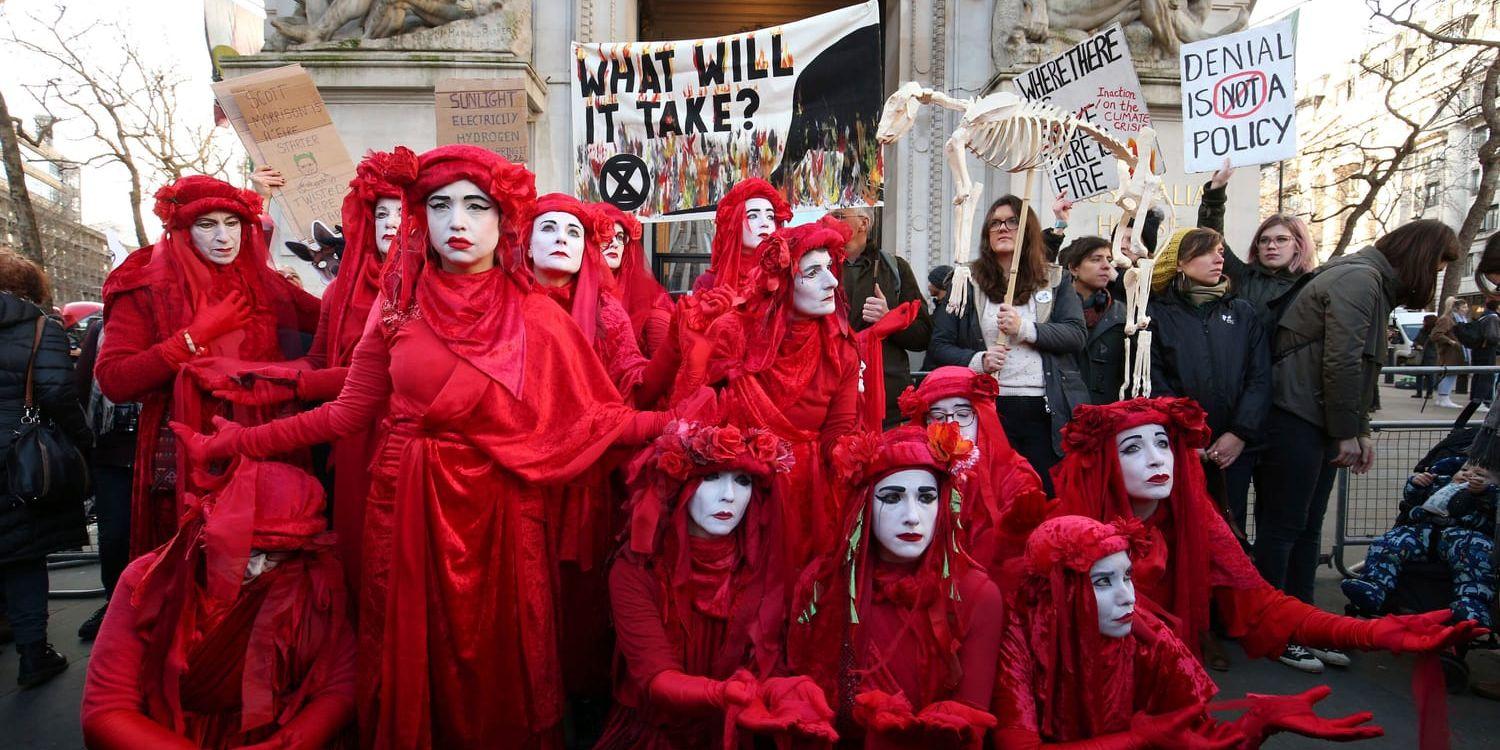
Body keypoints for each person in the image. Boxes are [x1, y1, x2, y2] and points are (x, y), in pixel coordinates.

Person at [175, 145, 695, 747]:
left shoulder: (540, 316)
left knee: (505, 653)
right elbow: (346, 411)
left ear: (505, 223)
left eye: (477, 206)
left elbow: (600, 421)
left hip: (503, 513)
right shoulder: (397, 308)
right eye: (440, 205)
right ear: (421, 219)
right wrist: (241, 442)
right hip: (405, 507)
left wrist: (683, 426)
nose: (458, 222)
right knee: (411, 651)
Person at [1052, 397, 1485, 679]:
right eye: (1131, 448)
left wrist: (1368, 633)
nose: (1154, 459)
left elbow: (1259, 600)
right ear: (1104, 461)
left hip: (1165, 679)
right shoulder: (1072, 526)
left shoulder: (1192, 513)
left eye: (1162, 443)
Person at [1256, 219, 1462, 671]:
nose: (1440, 273)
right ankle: (1274, 627)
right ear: (1422, 257)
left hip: (1308, 414)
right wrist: (1348, 429)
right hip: (1298, 415)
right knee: (1286, 527)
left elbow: (1357, 364)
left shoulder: (1366, 277)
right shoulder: (1360, 278)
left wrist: (1357, 427)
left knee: (1304, 528)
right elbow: (1343, 360)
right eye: (1440, 264)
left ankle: (1300, 622)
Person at [991, 514, 1384, 749]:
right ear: (1057, 592)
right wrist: (1137, 740)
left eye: (1127, 576)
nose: (1128, 598)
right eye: (1103, 583)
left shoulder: (1150, 640)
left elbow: (1202, 740)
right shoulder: (1020, 638)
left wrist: (1257, 724)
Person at [206, 149, 408, 595]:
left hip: (399, 436)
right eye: (380, 214)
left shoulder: (424, 289)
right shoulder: (340, 288)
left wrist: (284, 384)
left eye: (402, 212)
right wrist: (255, 376)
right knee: (357, 550)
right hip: (347, 438)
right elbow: (319, 362)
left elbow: (374, 376)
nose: (391, 223)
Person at [95, 175, 321, 559]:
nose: (224, 237)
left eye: (232, 223)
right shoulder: (144, 284)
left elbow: (332, 321)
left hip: (263, 448)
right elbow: (114, 379)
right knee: (193, 573)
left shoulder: (258, 280)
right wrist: (192, 337)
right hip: (185, 458)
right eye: (207, 224)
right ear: (181, 228)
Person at [81, 460, 355, 749]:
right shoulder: (146, 582)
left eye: (274, 555)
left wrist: (296, 739)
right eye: (243, 550)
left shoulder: (316, 583)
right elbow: (106, 710)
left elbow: (342, 684)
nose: (255, 568)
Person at [597, 419, 837, 749]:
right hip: (659, 737)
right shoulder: (638, 568)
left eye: (742, 481)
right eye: (710, 478)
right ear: (679, 485)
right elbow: (654, 678)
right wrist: (722, 694)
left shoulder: (762, 562)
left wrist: (781, 690)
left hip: (737, 732)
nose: (728, 496)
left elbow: (767, 659)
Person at [789, 424, 1003, 749]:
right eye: (892, 497)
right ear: (862, 506)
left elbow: (970, 720)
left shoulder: (975, 594)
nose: (912, 517)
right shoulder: (823, 584)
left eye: (927, 498)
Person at [692, 217, 860, 571]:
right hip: (737, 493)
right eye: (813, 273)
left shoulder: (841, 347)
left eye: (830, 268)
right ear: (781, 282)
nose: (831, 282)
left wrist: (858, 459)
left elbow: (838, 432)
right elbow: (696, 416)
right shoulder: (733, 332)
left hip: (806, 495)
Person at [928, 195, 1088, 494]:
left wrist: (1025, 329)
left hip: (1046, 409)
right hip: (990, 406)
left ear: (1027, 230)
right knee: (994, 494)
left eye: (1013, 222)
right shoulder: (965, 281)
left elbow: (1075, 335)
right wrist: (979, 361)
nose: (1003, 228)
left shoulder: (1054, 280)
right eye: (995, 223)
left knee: (1043, 495)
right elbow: (940, 345)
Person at [0, 251, 90, 687]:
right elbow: (57, 394)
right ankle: (34, 654)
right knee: (22, 557)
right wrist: (84, 441)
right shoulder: (40, 329)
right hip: (16, 460)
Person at [1146, 227, 1270, 530]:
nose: (1218, 258)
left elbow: (1259, 377)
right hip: (1179, 447)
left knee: (1229, 528)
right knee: (1182, 530)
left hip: (1233, 452)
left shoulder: (1242, 312)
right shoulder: (1156, 315)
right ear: (1179, 261)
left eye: (1221, 252)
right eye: (1206, 251)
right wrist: (1186, 436)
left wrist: (1239, 434)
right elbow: (1155, 380)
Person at [897, 366, 1047, 570]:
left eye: (963, 414)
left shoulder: (1015, 474)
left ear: (983, 416)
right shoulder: (909, 471)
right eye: (938, 416)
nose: (952, 425)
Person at [1342, 456, 1496, 628]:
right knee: (1389, 542)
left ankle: (1472, 606)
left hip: (1465, 536)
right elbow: (1413, 497)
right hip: (1424, 532)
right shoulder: (1441, 482)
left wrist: (1488, 491)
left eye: (1479, 474)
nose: (1468, 475)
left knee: (1476, 556)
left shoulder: (1490, 495)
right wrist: (1415, 483)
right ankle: (1373, 587)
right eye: (1464, 470)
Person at [827, 205, 933, 427]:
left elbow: (924, 335)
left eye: (838, 216)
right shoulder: (820, 268)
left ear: (863, 224)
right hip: (831, 396)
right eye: (828, 215)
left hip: (887, 402)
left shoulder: (894, 268)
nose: (830, 221)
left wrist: (890, 319)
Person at [74, 316, 139, 642]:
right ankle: (114, 604)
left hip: (163, 449)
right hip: (112, 450)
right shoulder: (103, 329)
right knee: (114, 537)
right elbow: (82, 386)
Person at [1197, 159, 1319, 323]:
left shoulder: (1312, 286)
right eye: (1264, 240)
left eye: (1281, 239)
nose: (1271, 246)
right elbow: (1210, 238)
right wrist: (1216, 189)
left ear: (1299, 245)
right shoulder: (1242, 277)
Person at [595, 202, 675, 356]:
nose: (614, 244)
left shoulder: (650, 302)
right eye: (606, 234)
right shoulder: (571, 288)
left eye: (620, 237)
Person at [692, 178, 790, 293]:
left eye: (770, 217)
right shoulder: (708, 283)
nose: (765, 224)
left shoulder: (789, 277)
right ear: (734, 224)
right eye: (752, 216)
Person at [1059, 236, 1125, 405]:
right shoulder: (1055, 313)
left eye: (1109, 260)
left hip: (1107, 412)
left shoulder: (1124, 314)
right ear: (1074, 268)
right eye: (1096, 259)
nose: (1106, 266)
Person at [1431, 298, 1469, 408]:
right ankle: (1443, 397)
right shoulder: (1447, 319)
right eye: (1463, 307)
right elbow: (1435, 335)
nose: (1466, 309)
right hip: (1450, 352)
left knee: (1451, 373)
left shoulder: (1458, 319)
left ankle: (1443, 397)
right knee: (1449, 373)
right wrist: (1450, 341)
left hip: (1455, 350)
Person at [1467, 300, 1500, 412]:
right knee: (1486, 376)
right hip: (1487, 350)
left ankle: (1475, 400)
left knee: (1478, 374)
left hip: (1478, 349)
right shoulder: (1493, 318)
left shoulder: (1483, 316)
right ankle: (1481, 401)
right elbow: (1492, 336)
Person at [1412, 313, 1438, 399]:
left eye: (1424, 320)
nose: (1423, 322)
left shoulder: (1434, 332)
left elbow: (1435, 343)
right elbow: (1415, 340)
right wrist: (1417, 345)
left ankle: (1429, 393)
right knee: (1419, 374)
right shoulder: (1422, 331)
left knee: (1430, 375)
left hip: (1430, 355)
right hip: (1421, 354)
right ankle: (1418, 392)